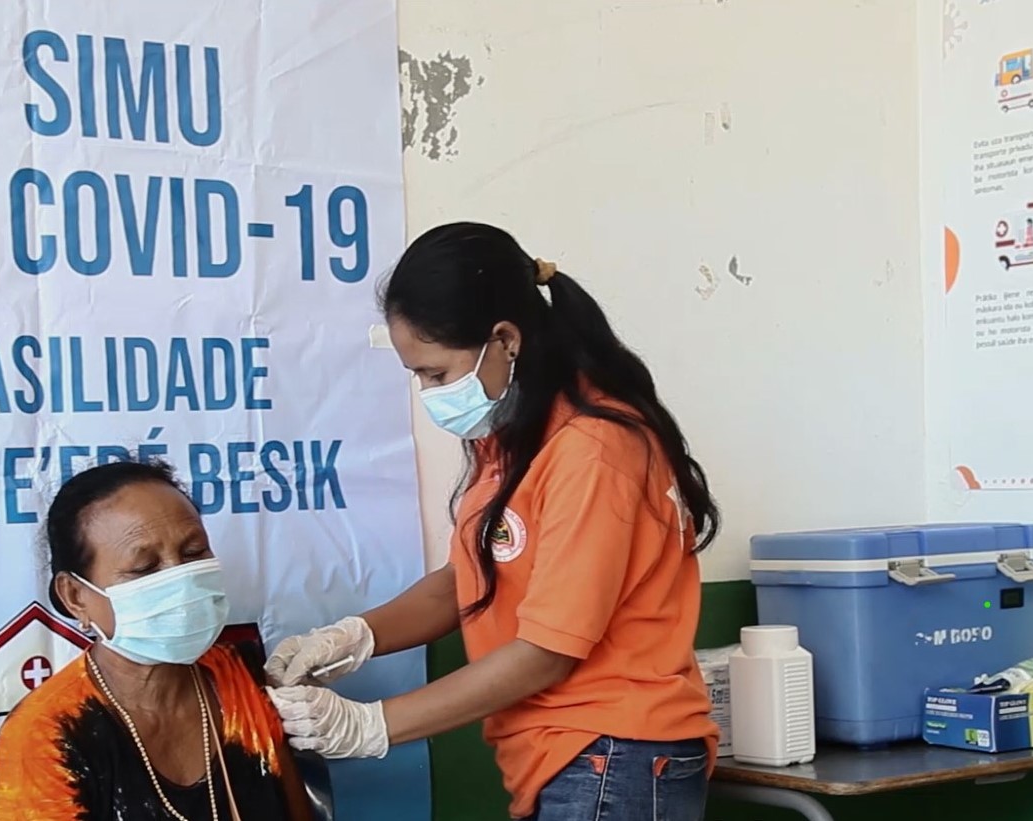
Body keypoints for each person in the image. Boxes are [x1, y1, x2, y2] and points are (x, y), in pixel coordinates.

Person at [265, 222, 720, 820]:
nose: (428, 394)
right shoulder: (512, 441)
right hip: (575, 757)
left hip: (615, 752)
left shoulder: (593, 449)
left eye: (436, 374)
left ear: (505, 340)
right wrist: (354, 636)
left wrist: (372, 725)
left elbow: (547, 652)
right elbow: (473, 579)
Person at [0, 460, 313, 820]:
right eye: (144, 568)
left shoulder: (239, 677)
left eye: (193, 553)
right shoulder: (46, 736)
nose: (181, 580)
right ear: (76, 597)